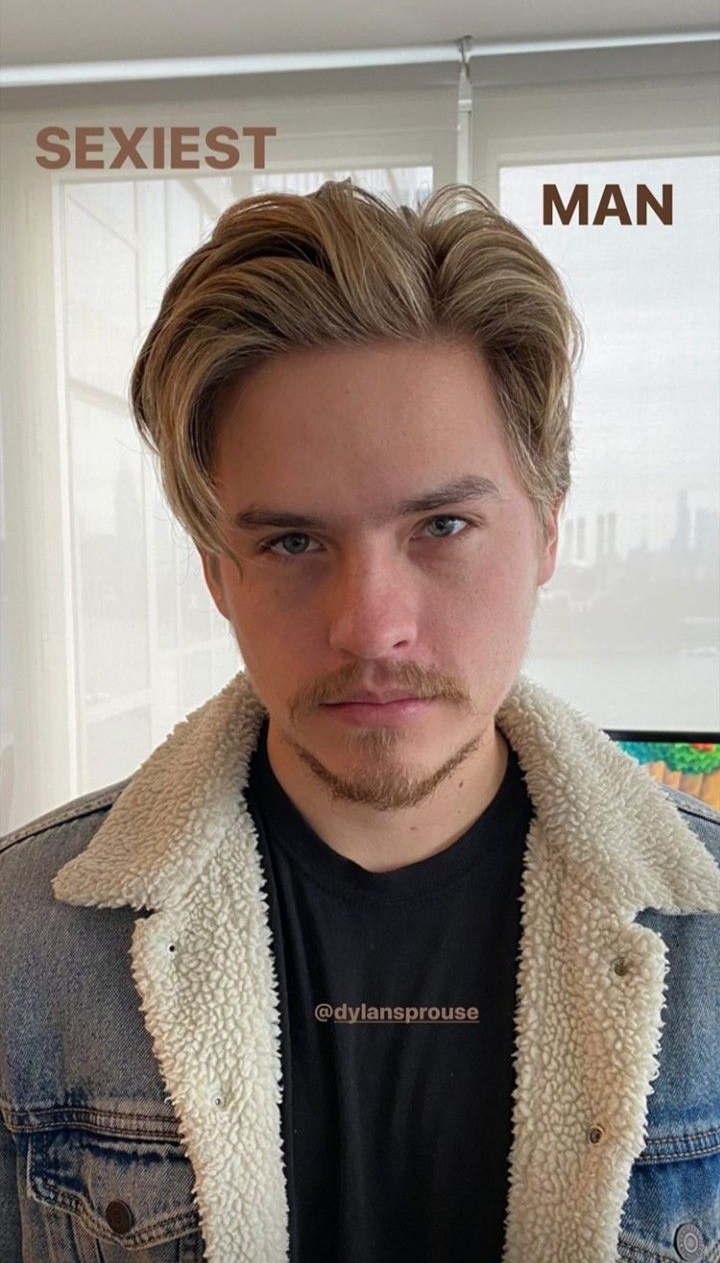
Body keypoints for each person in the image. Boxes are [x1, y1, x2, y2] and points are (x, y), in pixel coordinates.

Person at [1, 181, 719, 1263]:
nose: (369, 626)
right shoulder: (22, 942)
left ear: (547, 536)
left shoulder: (708, 941)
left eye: (442, 523)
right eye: (293, 541)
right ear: (218, 573)